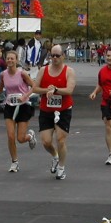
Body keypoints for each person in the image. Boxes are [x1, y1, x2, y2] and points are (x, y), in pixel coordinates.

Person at [0, 50, 37, 172]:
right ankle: (14, 162)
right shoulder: (3, 74)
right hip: (10, 106)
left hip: (23, 106)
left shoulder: (22, 73)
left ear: (16, 60)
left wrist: (25, 96)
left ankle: (30, 136)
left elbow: (34, 86)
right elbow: (0, 89)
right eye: (8, 58)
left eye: (12, 58)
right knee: (11, 136)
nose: (10, 60)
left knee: (20, 138)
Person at [32, 44, 76, 180]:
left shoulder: (69, 71)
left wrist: (56, 90)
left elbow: (69, 90)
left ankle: (61, 168)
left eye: (58, 55)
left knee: (61, 140)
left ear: (63, 56)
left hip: (63, 109)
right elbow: (34, 88)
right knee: (46, 141)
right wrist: (47, 90)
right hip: (46, 110)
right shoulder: (43, 70)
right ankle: (55, 156)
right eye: (53, 55)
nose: (55, 58)